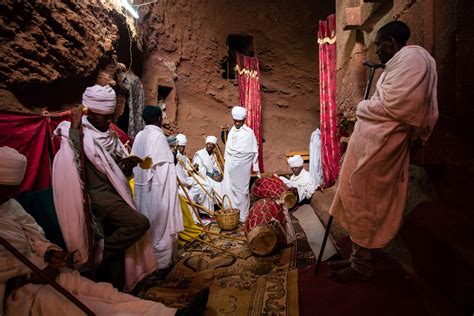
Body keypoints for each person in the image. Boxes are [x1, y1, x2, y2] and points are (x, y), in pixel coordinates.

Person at [0, 146, 209, 316]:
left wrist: (49, 252)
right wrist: (25, 275)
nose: (10, 196)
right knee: (84, 307)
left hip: (43, 269)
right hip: (18, 289)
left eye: (12, 191)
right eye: (7, 191)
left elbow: (34, 236)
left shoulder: (9, 205)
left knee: (104, 293)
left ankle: (170, 314)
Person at [328, 21, 438, 282]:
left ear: (390, 42)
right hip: (370, 142)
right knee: (354, 194)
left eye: (378, 44)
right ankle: (358, 256)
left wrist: (363, 108)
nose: (377, 50)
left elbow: (402, 105)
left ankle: (361, 267)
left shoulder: (413, 59)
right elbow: (386, 101)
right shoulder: (399, 62)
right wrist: (369, 108)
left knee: (366, 199)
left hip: (384, 145)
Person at [52, 85, 155, 290]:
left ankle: (118, 284)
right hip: (96, 196)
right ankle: (100, 253)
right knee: (139, 223)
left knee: (118, 252)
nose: (109, 121)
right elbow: (73, 159)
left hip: (113, 191)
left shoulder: (110, 135)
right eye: (104, 117)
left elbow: (111, 169)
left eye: (111, 116)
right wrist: (74, 127)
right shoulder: (75, 132)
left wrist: (125, 166)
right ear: (88, 113)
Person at [132, 105, 184, 270]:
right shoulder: (159, 137)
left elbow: (136, 161)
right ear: (159, 119)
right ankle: (161, 262)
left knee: (147, 220)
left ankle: (147, 260)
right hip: (157, 188)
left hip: (142, 187)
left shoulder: (139, 136)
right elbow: (165, 167)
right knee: (160, 224)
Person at [222, 106, 260, 221]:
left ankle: (243, 216)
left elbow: (252, 152)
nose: (237, 123)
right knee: (230, 189)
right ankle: (232, 213)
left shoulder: (249, 133)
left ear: (244, 121)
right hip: (231, 166)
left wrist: (240, 160)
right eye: (236, 121)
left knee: (242, 191)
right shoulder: (232, 131)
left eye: (240, 121)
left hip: (242, 168)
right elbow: (228, 149)